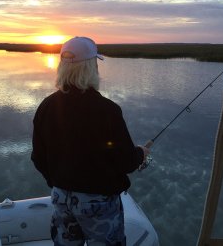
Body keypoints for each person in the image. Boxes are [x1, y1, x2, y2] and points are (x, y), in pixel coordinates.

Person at [31, 36, 150, 246]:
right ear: (91, 67)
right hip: (99, 204)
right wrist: (140, 153)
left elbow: (38, 157)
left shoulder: (46, 107)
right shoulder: (108, 110)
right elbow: (126, 162)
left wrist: (58, 183)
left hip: (61, 198)